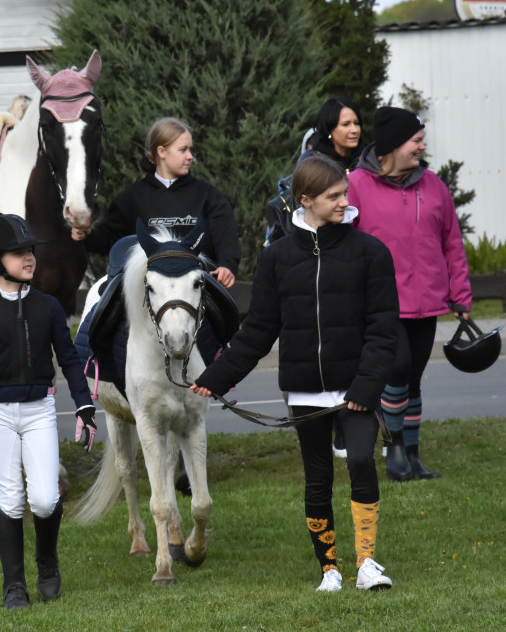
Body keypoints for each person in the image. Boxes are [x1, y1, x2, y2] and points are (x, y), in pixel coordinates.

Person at [191, 155, 399, 593]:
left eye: (345, 193)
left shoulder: (371, 253)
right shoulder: (278, 259)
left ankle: (367, 563)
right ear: (305, 200)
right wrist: (216, 376)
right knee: (318, 477)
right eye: (334, 196)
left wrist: (365, 386)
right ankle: (330, 570)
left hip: (357, 389)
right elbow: (259, 331)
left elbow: (384, 330)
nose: (345, 201)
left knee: (361, 460)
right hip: (306, 392)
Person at [0, 213, 97, 610]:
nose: (29, 258)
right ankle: (14, 586)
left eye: (30, 251)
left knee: (46, 500)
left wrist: (84, 406)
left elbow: (69, 361)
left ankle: (47, 562)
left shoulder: (49, 307)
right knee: (12, 500)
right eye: (19, 253)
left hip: (39, 411)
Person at [347, 106, 472, 482]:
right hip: (382, 302)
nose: (422, 147)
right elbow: (344, 243)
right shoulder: (356, 184)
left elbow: (452, 242)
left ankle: (413, 455)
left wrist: (460, 296)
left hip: (427, 300)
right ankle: (394, 448)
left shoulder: (433, 185)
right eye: (416, 140)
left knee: (414, 377)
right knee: (396, 368)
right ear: (393, 145)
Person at [71, 116, 240, 290]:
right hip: (144, 291)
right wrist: (87, 235)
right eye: (183, 150)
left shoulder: (207, 195)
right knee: (99, 313)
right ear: (161, 152)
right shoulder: (131, 198)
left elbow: (225, 234)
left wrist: (227, 265)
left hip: (197, 289)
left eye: (190, 150)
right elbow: (109, 240)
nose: (190, 157)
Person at [265, 97, 365, 248]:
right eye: (346, 124)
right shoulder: (311, 163)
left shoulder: (366, 162)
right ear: (329, 130)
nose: (354, 130)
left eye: (356, 123)